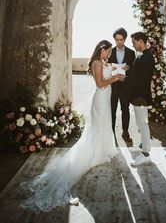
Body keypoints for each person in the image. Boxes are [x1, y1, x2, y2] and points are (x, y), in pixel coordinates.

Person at [20, 40, 124, 212]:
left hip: (106, 99)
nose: (110, 54)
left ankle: (103, 149)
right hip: (100, 99)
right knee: (97, 126)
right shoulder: (97, 63)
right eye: (109, 51)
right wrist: (114, 78)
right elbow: (100, 83)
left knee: (106, 124)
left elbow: (116, 68)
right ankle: (94, 152)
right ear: (102, 50)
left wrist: (121, 69)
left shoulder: (105, 62)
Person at [125, 32, 155, 167]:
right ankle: (143, 145)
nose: (133, 45)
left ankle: (146, 154)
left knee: (143, 124)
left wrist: (124, 78)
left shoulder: (147, 57)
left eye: (134, 42)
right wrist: (128, 69)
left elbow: (142, 80)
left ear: (141, 41)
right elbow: (138, 73)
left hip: (141, 96)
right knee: (140, 122)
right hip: (138, 96)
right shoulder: (143, 56)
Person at [108, 28, 135, 143]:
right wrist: (110, 67)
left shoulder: (131, 53)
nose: (119, 42)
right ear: (114, 39)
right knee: (112, 110)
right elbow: (105, 67)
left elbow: (134, 70)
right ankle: (111, 131)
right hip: (112, 86)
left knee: (125, 109)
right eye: (117, 40)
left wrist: (129, 68)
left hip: (125, 87)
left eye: (121, 39)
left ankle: (125, 131)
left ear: (125, 39)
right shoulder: (109, 52)